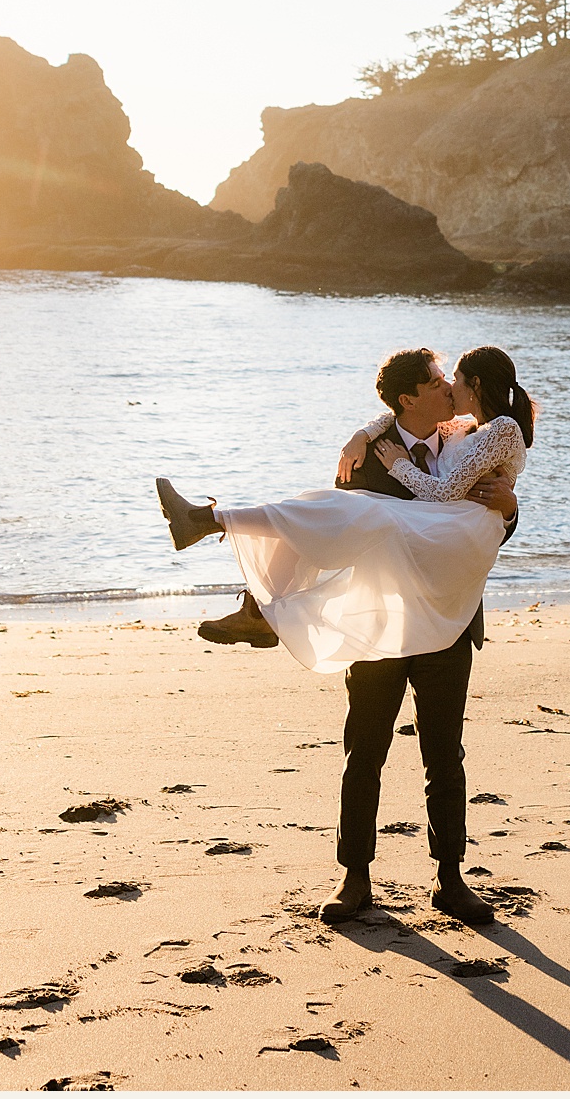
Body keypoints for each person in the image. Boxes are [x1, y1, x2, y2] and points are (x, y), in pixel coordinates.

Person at [153, 345, 536, 926]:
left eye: (447, 381)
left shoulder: (462, 436)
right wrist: (368, 430)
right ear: (410, 398)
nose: (446, 389)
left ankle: (450, 878)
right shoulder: (366, 461)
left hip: (450, 620)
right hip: (378, 622)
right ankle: (355, 876)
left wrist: (510, 510)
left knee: (444, 754)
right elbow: (327, 537)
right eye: (435, 383)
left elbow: (482, 522)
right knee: (366, 750)